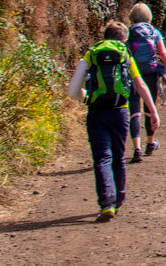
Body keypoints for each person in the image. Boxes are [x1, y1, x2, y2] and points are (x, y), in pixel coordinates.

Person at [67, 21, 157, 221]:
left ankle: (106, 203)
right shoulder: (125, 55)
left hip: (96, 112)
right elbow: (140, 85)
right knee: (118, 156)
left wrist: (89, 97)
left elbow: (72, 91)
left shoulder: (91, 55)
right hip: (120, 112)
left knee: (102, 158)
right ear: (124, 40)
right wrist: (152, 111)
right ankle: (118, 201)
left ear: (103, 36)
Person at [124, 2, 166, 162]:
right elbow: (163, 53)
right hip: (150, 74)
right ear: (149, 17)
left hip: (133, 75)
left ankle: (137, 149)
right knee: (150, 108)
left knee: (134, 111)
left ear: (132, 17)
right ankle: (150, 143)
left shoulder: (129, 33)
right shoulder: (154, 32)